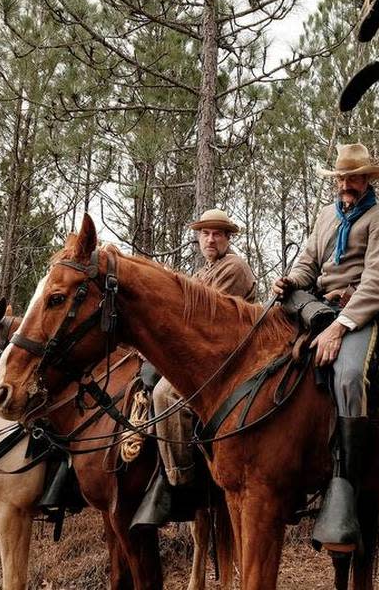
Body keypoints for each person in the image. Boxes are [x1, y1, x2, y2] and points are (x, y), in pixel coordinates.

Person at [272, 143, 379, 552]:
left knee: (347, 376)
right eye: (342, 178)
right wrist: (291, 282)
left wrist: (340, 328)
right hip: (318, 306)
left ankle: (348, 484)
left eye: (354, 177)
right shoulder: (327, 215)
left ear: (367, 180)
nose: (346, 185)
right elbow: (309, 260)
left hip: (359, 310)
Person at [136, 209, 257, 527]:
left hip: (230, 357)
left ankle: (181, 483)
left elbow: (200, 321)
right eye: (205, 233)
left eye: (217, 233)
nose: (210, 238)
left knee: (164, 393)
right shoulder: (205, 271)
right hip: (207, 355)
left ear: (228, 238)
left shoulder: (234, 268)